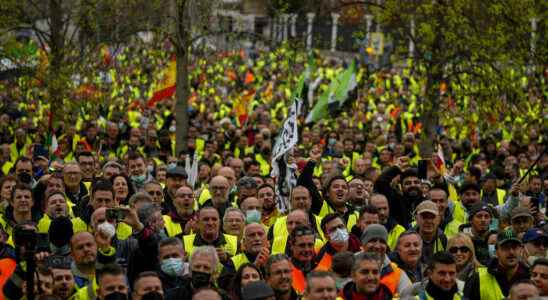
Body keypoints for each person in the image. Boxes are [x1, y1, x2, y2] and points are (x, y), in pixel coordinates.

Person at [463, 230, 530, 299]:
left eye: (514, 247)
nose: (511, 252)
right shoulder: (478, 278)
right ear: (496, 252)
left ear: (521, 249)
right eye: (505, 248)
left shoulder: (531, 276)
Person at [360, 224, 412, 295]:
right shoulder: (349, 268)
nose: (377, 246)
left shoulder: (397, 274)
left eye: (382, 242)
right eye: (372, 240)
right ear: (363, 244)